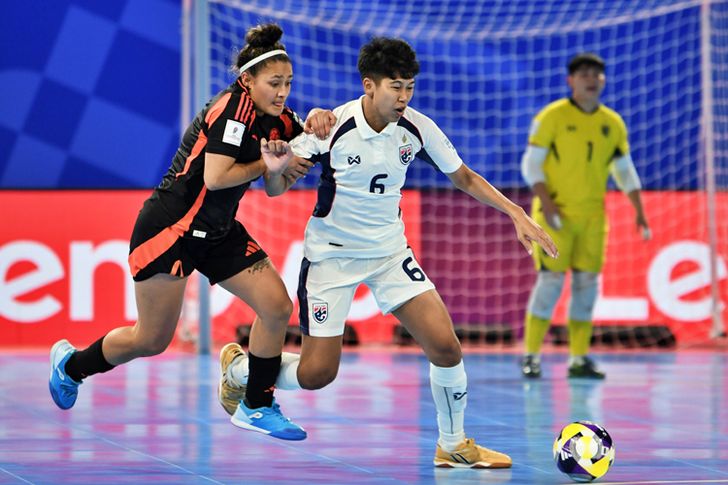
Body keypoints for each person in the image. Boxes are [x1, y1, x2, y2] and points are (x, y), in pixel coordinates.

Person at [219, 37, 558, 469]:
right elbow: (275, 187)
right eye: (395, 86)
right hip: (331, 260)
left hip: (390, 256)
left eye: (409, 87)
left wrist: (516, 213)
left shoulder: (416, 128)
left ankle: (453, 445)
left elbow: (465, 177)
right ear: (370, 85)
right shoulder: (332, 127)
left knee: (446, 347)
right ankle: (241, 370)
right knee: (316, 374)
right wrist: (276, 166)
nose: (403, 97)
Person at [48, 23, 332, 441]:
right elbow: (216, 178)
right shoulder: (231, 110)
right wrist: (268, 164)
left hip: (217, 232)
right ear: (247, 80)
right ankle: (72, 366)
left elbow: (277, 183)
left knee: (276, 306)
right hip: (171, 229)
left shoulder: (279, 120)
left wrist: (318, 121)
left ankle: (255, 405)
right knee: (150, 339)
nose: (282, 92)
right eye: (274, 83)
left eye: (288, 83)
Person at [519, 52, 649, 380]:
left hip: (592, 218)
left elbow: (624, 170)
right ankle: (531, 355)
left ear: (603, 80)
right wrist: (547, 205)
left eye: (597, 74)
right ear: (571, 80)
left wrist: (639, 210)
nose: (591, 79)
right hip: (555, 215)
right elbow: (531, 166)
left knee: (587, 286)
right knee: (550, 283)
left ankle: (578, 359)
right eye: (584, 74)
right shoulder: (552, 117)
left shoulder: (612, 123)